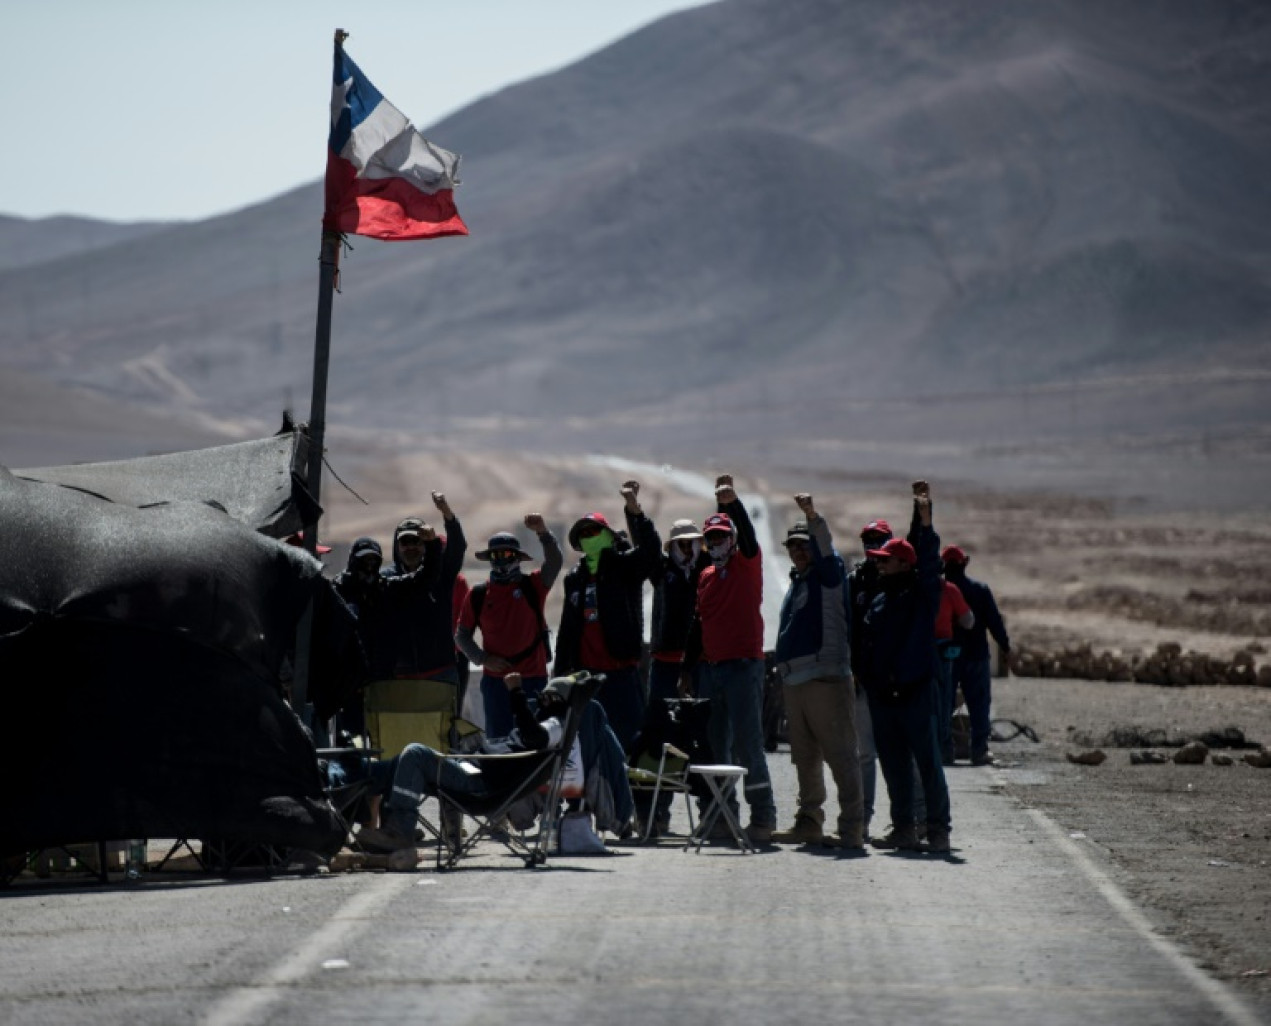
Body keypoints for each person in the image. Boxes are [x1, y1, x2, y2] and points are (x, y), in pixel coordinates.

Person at [356, 672, 583, 854]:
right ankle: (355, 798)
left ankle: (398, 830)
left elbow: (535, 737)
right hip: (478, 772)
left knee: (414, 754)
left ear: (553, 699)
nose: (540, 703)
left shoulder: (555, 725)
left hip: (481, 785)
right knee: (395, 764)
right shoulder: (555, 725)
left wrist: (516, 693)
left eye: (544, 698)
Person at [856, 480, 952, 854]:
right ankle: (904, 828)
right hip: (884, 697)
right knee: (894, 766)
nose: (877, 562)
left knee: (927, 765)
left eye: (885, 559)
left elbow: (926, 558)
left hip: (915, 694)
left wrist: (924, 519)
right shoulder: (879, 598)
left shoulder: (922, 595)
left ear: (902, 564)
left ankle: (939, 829)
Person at [680, 474, 776, 845]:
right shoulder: (705, 575)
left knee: (749, 744)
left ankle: (763, 817)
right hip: (711, 669)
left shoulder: (746, 565)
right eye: (712, 538)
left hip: (743, 667)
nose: (717, 543)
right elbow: (698, 625)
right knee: (716, 745)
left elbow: (749, 536)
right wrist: (688, 670)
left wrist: (730, 504)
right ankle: (722, 817)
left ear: (732, 540)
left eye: (722, 536)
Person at [771, 493, 864, 849]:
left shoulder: (829, 575)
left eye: (803, 545)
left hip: (825, 679)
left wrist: (812, 517)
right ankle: (809, 821)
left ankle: (852, 827)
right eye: (792, 546)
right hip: (797, 681)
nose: (798, 551)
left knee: (841, 754)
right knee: (805, 757)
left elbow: (825, 547)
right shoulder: (799, 582)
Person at [554, 480, 661, 750]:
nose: (589, 536)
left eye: (595, 531)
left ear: (608, 535)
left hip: (620, 674)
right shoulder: (574, 578)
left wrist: (635, 511)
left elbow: (650, 554)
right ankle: (591, 794)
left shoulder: (624, 566)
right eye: (584, 533)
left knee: (629, 743)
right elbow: (567, 629)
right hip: (585, 679)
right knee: (587, 745)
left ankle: (631, 794)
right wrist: (559, 675)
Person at [631, 518, 708, 837]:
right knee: (657, 740)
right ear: (672, 546)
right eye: (682, 543)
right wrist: (635, 513)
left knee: (703, 739)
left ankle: (711, 812)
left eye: (693, 542)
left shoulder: (708, 570)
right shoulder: (662, 571)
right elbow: (646, 547)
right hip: (664, 665)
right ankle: (656, 815)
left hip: (700, 664)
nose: (688, 548)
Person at [455, 516, 563, 737]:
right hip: (496, 684)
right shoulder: (478, 595)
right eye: (496, 555)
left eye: (507, 554)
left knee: (535, 741)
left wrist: (543, 531)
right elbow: (462, 636)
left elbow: (554, 562)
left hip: (533, 679)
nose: (501, 560)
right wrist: (483, 659)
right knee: (499, 742)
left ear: (517, 557)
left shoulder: (533, 586)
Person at [381, 493, 467, 684]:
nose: (411, 547)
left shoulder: (441, 574)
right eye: (405, 542)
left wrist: (447, 513)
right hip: (398, 676)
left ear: (425, 544)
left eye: (417, 541)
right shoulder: (387, 579)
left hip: (440, 672)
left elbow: (458, 548)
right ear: (397, 547)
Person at [943, 545, 1012, 766]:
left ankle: (945, 751)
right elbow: (994, 622)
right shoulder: (980, 590)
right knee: (979, 705)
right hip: (976, 656)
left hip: (946, 657)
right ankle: (979, 751)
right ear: (964, 563)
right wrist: (1006, 647)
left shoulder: (938, 590)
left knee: (944, 704)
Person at [845, 519, 892, 840]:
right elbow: (847, 626)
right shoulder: (856, 581)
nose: (872, 545)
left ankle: (909, 819)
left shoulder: (901, 579)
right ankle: (862, 818)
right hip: (862, 679)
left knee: (900, 751)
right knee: (864, 753)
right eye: (868, 540)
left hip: (894, 680)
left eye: (879, 539)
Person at [934, 571, 975, 765]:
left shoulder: (911, 588)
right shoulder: (948, 590)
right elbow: (968, 621)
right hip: (942, 650)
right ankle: (944, 751)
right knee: (944, 700)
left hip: (915, 650)